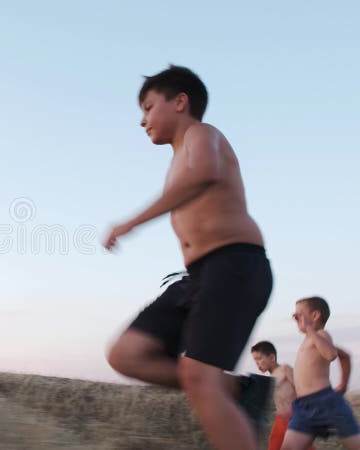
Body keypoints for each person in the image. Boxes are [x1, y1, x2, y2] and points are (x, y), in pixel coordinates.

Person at [104, 65, 274, 449]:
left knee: (199, 378)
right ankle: (237, 387)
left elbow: (207, 173)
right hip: (198, 277)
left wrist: (132, 222)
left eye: (148, 107)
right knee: (127, 354)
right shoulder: (177, 159)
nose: (143, 120)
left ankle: (222, 388)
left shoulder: (202, 135)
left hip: (235, 265)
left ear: (180, 102)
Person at [281, 297, 359, 449]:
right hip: (304, 407)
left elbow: (331, 355)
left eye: (299, 314)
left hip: (327, 403)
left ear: (315, 316)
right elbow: (345, 356)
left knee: (355, 444)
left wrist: (309, 328)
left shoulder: (321, 335)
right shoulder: (311, 341)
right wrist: (343, 384)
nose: (295, 317)